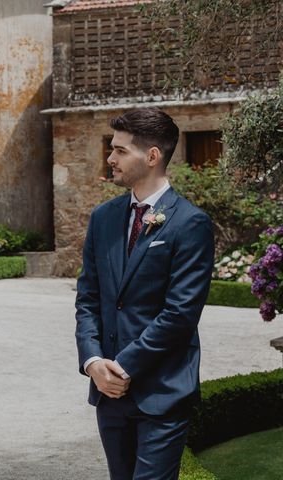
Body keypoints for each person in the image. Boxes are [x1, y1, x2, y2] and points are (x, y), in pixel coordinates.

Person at [75, 108, 215, 480]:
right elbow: (88, 298)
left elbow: (180, 314)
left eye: (120, 150)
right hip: (109, 393)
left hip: (163, 391)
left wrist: (123, 365)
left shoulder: (191, 223)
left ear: (152, 156)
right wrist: (93, 362)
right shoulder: (102, 218)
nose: (110, 158)